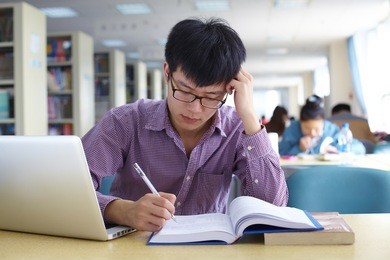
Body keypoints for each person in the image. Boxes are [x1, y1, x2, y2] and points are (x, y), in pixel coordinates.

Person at [81, 18, 288, 232]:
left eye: (211, 96)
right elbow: (66, 190)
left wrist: (249, 116)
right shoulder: (125, 122)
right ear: (167, 73)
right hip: (134, 245)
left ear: (229, 89)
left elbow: (273, 207)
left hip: (207, 247)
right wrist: (122, 211)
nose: (194, 109)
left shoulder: (237, 129)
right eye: (185, 91)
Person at [279, 95, 366, 156]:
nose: (312, 133)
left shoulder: (331, 129)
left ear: (323, 122)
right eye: (306, 128)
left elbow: (360, 148)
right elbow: (280, 154)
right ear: (300, 122)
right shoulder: (292, 130)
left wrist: (337, 149)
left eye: (316, 129)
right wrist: (299, 148)